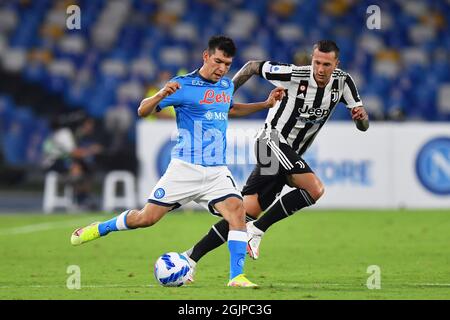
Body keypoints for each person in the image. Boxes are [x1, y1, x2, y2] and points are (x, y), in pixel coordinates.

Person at [70, 35, 285, 287]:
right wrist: (161, 94)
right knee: (146, 219)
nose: (222, 69)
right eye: (218, 61)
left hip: (216, 171)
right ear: (206, 56)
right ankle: (101, 228)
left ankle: (236, 276)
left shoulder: (225, 86)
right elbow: (142, 111)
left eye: (227, 64)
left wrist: (265, 104)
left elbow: (231, 108)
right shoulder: (182, 85)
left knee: (238, 212)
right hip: (185, 168)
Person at [181, 40, 369, 278]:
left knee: (242, 213)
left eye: (326, 64)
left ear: (336, 64)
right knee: (315, 189)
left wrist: (361, 117)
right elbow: (251, 66)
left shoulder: (344, 82)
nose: (320, 69)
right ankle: (257, 230)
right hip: (270, 141)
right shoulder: (294, 74)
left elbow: (363, 125)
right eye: (316, 62)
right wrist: (225, 93)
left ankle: (190, 258)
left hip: (289, 154)